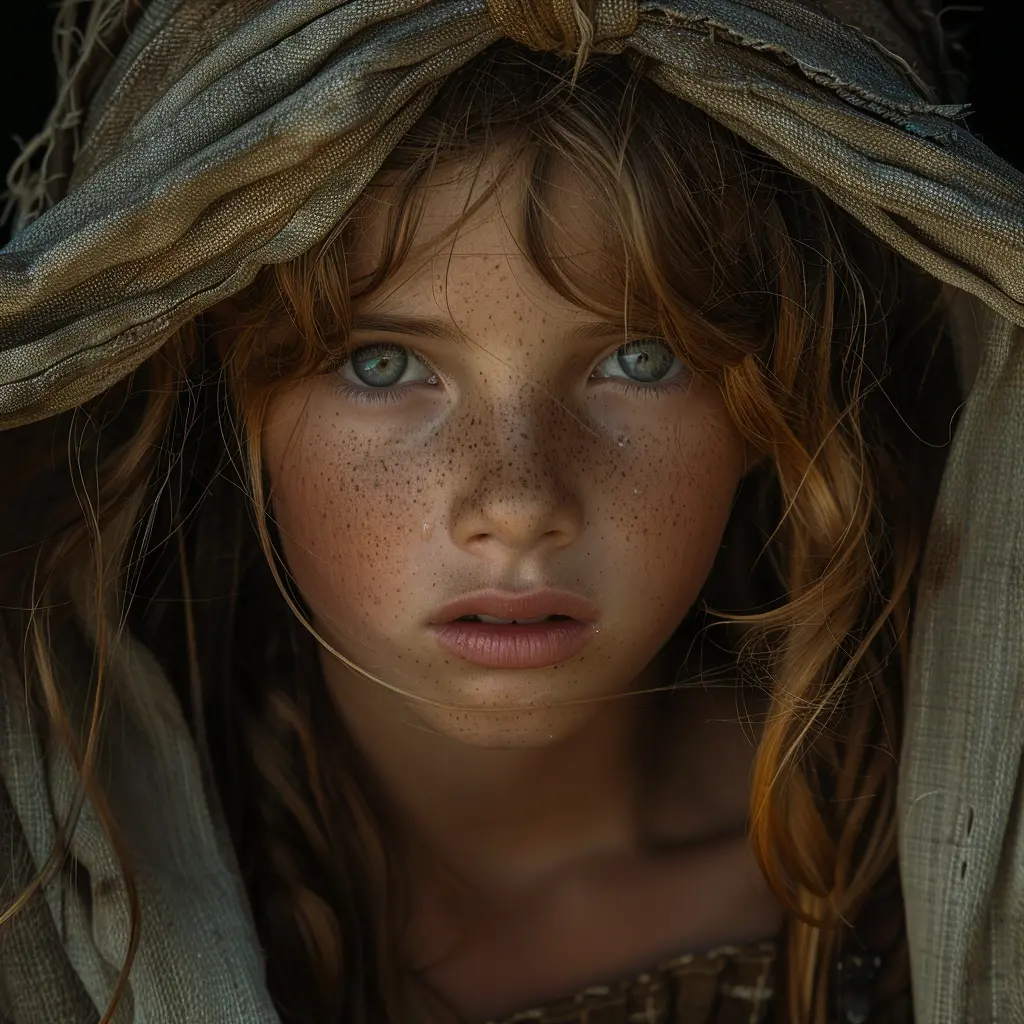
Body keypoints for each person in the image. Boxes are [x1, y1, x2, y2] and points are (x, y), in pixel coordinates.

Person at [0, 3, 1021, 1024]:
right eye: (384, 364)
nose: (518, 503)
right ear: (235, 392)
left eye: (640, 359)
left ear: (768, 406)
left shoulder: (931, 880)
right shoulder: (62, 910)